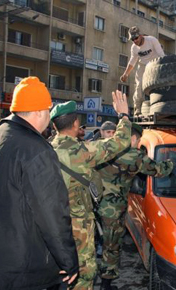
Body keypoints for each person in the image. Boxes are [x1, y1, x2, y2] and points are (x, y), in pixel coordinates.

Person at [0, 76, 79, 290]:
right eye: (48, 111)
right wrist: (69, 261)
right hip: (24, 271)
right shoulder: (36, 149)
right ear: (39, 112)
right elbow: (52, 214)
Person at [50, 92, 131, 290]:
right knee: (84, 274)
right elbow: (119, 142)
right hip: (79, 225)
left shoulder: (45, 152)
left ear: (54, 126)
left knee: (58, 273)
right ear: (77, 124)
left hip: (51, 225)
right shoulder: (83, 152)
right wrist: (124, 116)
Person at [96, 123, 173, 290]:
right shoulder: (133, 156)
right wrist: (174, 162)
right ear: (132, 138)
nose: (138, 145)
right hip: (113, 209)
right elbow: (160, 170)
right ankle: (105, 284)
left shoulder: (104, 149)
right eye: (138, 141)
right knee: (112, 246)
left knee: (94, 243)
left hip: (93, 205)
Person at [120, 26, 165, 116]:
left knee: (159, 85)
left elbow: (161, 55)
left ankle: (160, 105)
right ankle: (137, 109)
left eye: (136, 38)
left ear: (140, 35)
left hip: (155, 63)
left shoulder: (152, 40)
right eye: (132, 39)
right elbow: (132, 62)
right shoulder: (134, 48)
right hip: (143, 65)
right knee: (139, 86)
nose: (135, 41)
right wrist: (125, 74)